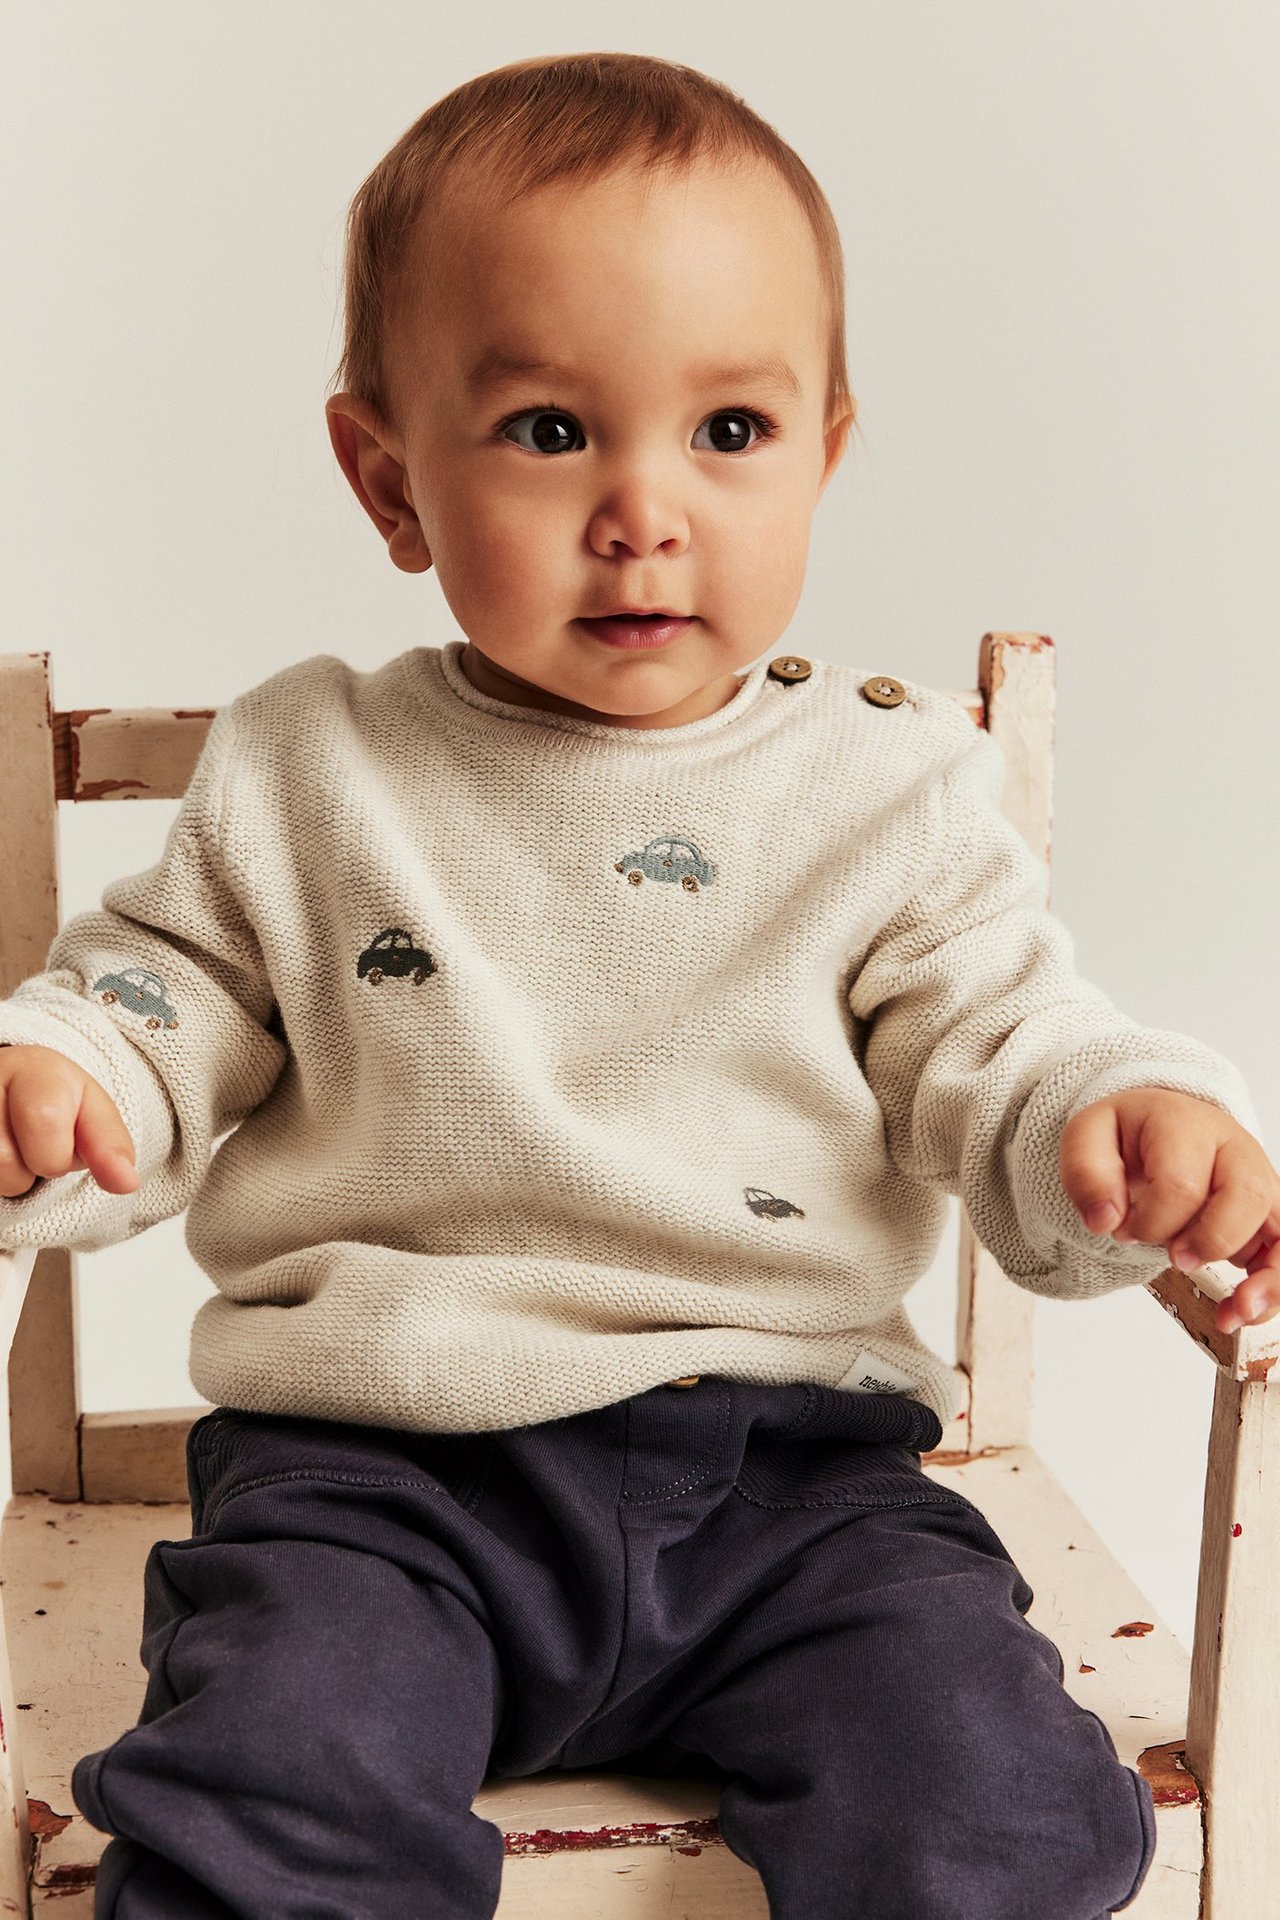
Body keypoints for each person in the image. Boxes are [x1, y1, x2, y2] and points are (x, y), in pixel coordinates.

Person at [1, 50, 1275, 1920]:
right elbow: (162, 997)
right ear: (387, 478)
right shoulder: (312, 769)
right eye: (545, 430)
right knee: (274, 1787)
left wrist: (1120, 1123)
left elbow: (1002, 1038)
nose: (644, 510)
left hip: (798, 1482)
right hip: (383, 1480)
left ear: (827, 450)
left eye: (730, 433)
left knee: (995, 1800)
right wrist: (68, 1075)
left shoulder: (887, 788)